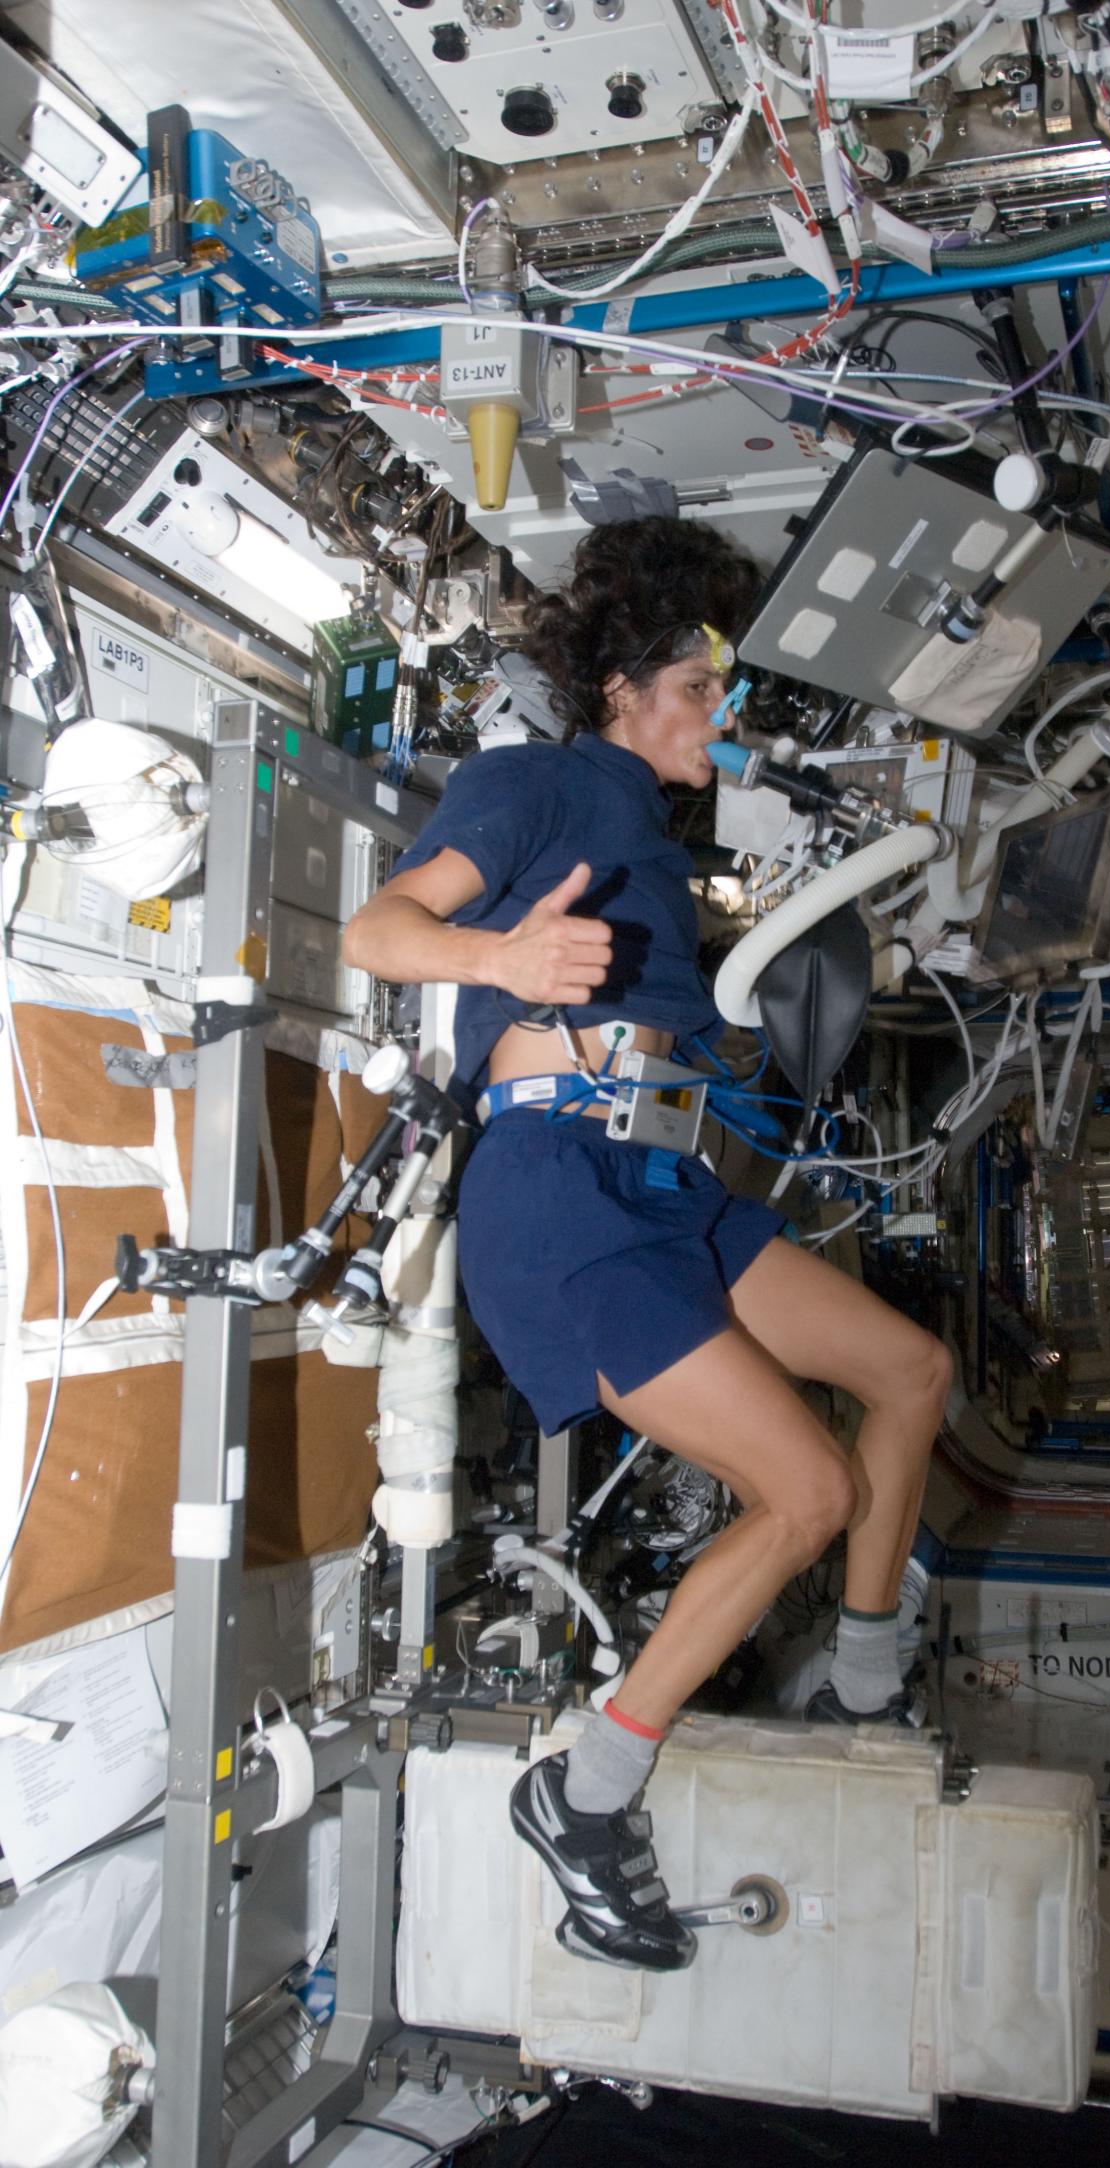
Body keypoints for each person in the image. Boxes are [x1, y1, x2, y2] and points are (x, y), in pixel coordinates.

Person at [342, 517, 952, 1974]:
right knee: (806, 1488)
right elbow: (378, 929)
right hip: (558, 1197)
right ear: (619, 686)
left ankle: (865, 1684)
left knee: (910, 1373)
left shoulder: (663, 844)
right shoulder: (532, 782)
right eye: (695, 688)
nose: (715, 716)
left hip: (668, 1189)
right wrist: (495, 959)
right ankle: (586, 1787)